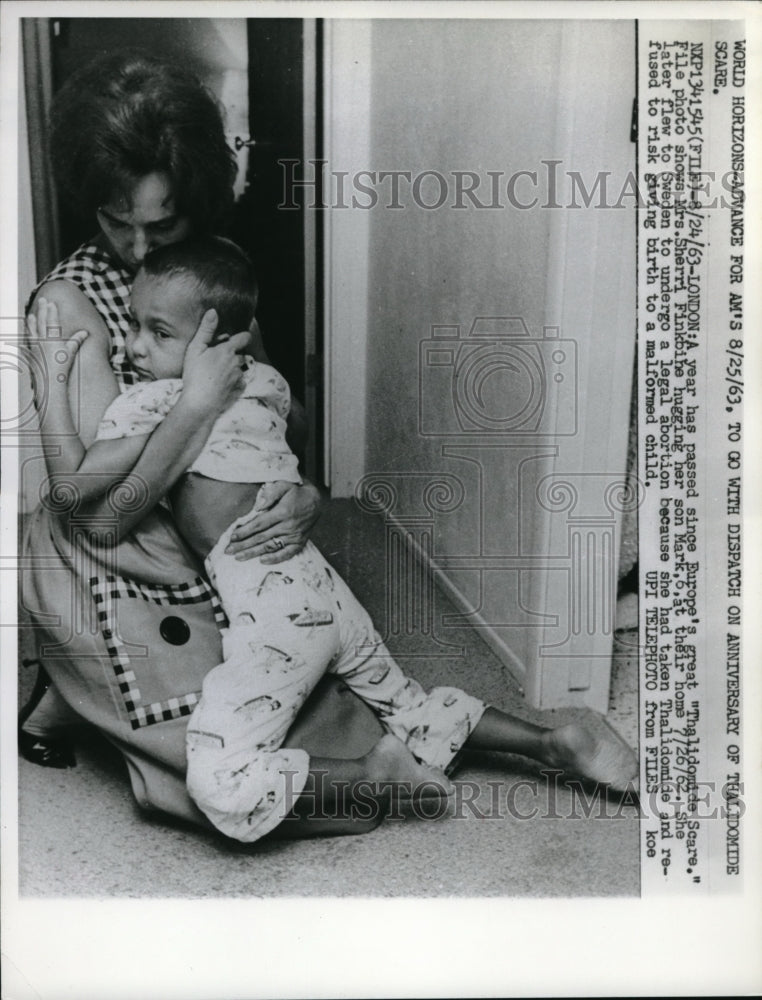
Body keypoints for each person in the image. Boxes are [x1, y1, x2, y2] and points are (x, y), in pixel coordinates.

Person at [29, 235, 638, 844]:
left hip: (273, 615)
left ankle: (374, 774)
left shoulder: (158, 401)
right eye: (132, 325)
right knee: (409, 706)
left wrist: (52, 384)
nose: (130, 346)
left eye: (156, 333)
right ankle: (553, 740)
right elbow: (283, 449)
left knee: (220, 779)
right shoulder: (264, 381)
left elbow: (72, 492)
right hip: (324, 587)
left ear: (214, 342)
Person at [20, 50, 382, 835]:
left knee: (326, 681)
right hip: (116, 544)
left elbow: (276, 420)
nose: (142, 249)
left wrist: (304, 493)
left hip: (202, 529)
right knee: (219, 763)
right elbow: (101, 515)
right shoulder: (67, 302)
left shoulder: (210, 276)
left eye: (165, 224)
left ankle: (69, 701)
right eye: (120, 222)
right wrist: (192, 408)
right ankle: (72, 688)